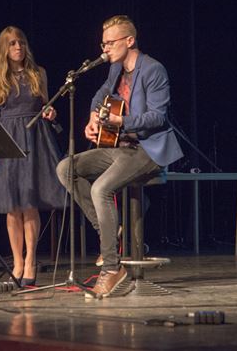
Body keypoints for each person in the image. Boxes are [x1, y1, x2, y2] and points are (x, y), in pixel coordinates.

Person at [56, 15, 184, 298]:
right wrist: (92, 116)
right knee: (66, 167)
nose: (105, 49)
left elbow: (157, 117)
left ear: (130, 40)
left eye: (110, 43)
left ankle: (112, 269)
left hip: (147, 149)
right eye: (103, 44)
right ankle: (107, 233)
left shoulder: (153, 70)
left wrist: (118, 122)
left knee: (101, 187)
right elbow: (101, 94)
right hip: (120, 147)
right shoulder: (115, 69)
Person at [0, 26, 65, 287]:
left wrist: (50, 111)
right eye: (13, 44)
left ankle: (31, 261)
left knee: (29, 202)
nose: (18, 48)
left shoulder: (39, 74)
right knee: (11, 204)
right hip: (7, 139)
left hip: (35, 137)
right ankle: (16, 260)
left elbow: (45, 104)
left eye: (22, 43)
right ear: (4, 48)